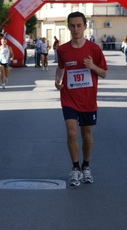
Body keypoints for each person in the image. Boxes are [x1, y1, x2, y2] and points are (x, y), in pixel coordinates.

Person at [55, 11, 107, 187]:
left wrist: (92, 66)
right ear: (68, 27)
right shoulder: (62, 50)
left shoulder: (94, 49)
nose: (76, 29)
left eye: (79, 25)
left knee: (86, 135)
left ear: (85, 26)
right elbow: (60, 68)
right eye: (72, 25)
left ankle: (86, 166)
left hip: (88, 99)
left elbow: (104, 73)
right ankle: (75, 168)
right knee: (71, 133)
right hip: (69, 97)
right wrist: (57, 81)